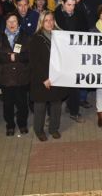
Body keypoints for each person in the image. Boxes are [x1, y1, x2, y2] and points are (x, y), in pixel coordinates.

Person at [0, 12, 32, 136]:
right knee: (8, 104)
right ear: (5, 23)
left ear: (18, 22)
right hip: (5, 77)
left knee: (22, 103)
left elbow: (30, 54)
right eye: (9, 21)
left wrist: (16, 56)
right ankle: (10, 125)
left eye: (14, 21)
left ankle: (22, 124)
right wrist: (9, 58)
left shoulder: (26, 36)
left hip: (22, 76)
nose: (12, 24)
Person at [29, 11, 68, 140]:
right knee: (40, 107)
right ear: (41, 22)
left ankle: (54, 128)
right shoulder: (36, 38)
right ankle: (39, 131)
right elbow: (34, 62)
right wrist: (44, 78)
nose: (49, 23)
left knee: (56, 105)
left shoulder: (60, 36)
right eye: (46, 20)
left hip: (57, 77)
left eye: (51, 20)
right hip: (42, 78)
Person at [53, 0, 88, 122]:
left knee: (74, 84)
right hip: (60, 55)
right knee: (59, 84)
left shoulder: (79, 13)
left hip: (75, 54)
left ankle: (74, 111)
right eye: (69, 4)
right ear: (62, 3)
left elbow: (85, 31)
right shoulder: (55, 15)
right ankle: (53, 115)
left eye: (73, 5)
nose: (71, 8)